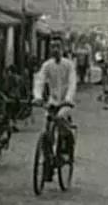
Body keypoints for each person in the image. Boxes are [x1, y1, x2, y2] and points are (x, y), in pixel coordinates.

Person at [32, 37, 77, 182]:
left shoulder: (69, 65)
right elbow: (39, 80)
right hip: (52, 101)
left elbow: (72, 82)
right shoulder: (47, 65)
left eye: (57, 46)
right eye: (52, 47)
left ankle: (67, 145)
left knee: (61, 119)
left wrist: (69, 99)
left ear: (62, 48)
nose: (55, 49)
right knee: (46, 131)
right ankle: (47, 162)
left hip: (65, 102)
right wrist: (38, 97)